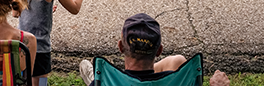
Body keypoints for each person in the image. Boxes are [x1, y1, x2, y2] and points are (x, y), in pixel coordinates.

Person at [78, 13, 229, 86]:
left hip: (115, 82)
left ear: (120, 47)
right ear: (159, 51)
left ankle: (97, 77)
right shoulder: (180, 82)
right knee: (178, 61)